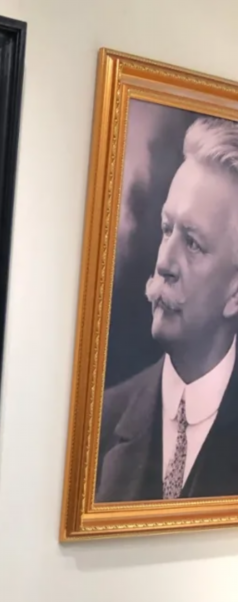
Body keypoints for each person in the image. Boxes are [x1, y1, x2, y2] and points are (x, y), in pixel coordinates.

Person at [97, 115, 238, 502]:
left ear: (235, 292)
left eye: (192, 243)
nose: (164, 263)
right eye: (166, 230)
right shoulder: (102, 420)